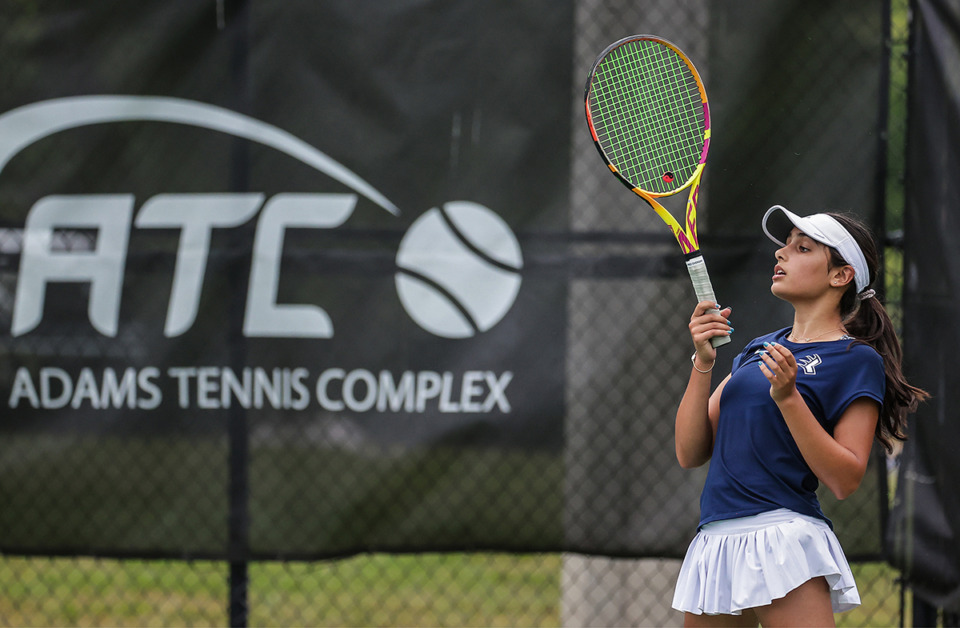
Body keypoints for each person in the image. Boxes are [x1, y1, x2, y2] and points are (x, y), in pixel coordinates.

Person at [671, 205, 928, 627]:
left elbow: (845, 479)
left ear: (840, 276)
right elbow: (689, 451)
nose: (781, 255)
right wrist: (702, 362)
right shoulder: (758, 349)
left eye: (802, 248)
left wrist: (790, 399)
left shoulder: (856, 359)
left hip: (784, 540)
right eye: (784, 246)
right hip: (715, 541)